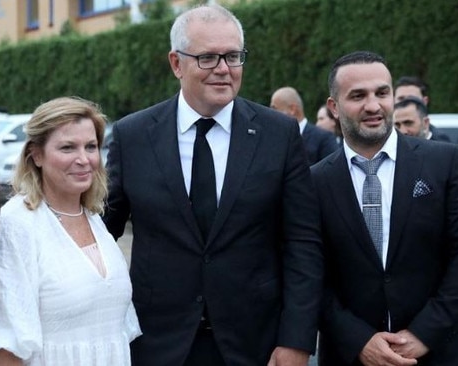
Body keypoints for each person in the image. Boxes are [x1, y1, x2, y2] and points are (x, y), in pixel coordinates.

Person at [103, 4, 323, 366]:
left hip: (256, 345)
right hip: (157, 345)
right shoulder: (134, 136)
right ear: (176, 63)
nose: (223, 69)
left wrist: (297, 341)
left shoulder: (278, 135)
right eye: (207, 58)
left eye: (233, 56)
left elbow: (303, 243)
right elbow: (100, 231)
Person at [312, 50, 458, 365]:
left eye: (382, 93)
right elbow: (308, 273)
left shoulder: (446, 163)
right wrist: (359, 340)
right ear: (334, 107)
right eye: (358, 95)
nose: (374, 106)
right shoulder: (314, 182)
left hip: (439, 352)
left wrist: (422, 335)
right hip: (351, 357)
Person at [0, 96, 141, 366]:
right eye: (68, 148)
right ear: (36, 154)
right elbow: (3, 347)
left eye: (91, 146)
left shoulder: (93, 218)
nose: (84, 159)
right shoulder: (17, 225)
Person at [270, 86, 339, 164]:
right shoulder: (274, 140)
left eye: (274, 109)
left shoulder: (323, 138)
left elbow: (332, 169)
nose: (271, 114)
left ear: (292, 109)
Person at [393, 76, 449, 142]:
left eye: (412, 98)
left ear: (425, 101)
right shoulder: (387, 138)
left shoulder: (441, 142)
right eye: (401, 99)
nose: (406, 102)